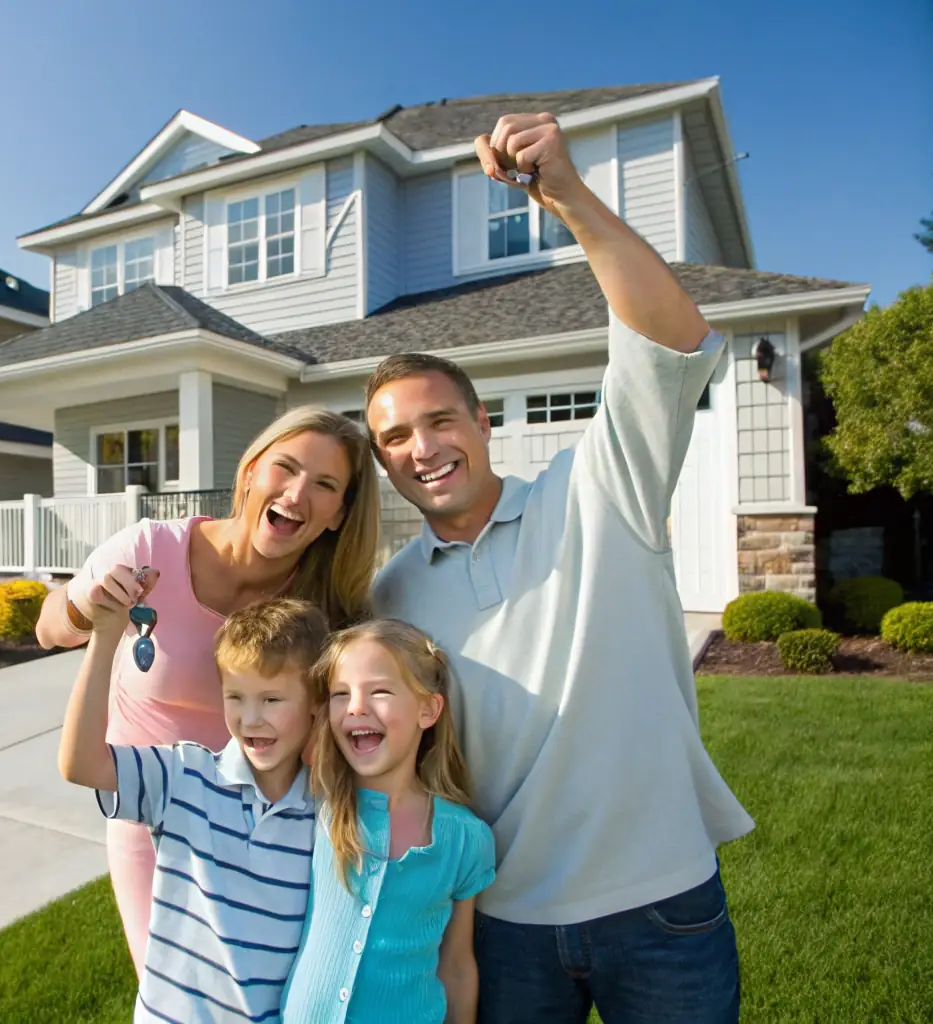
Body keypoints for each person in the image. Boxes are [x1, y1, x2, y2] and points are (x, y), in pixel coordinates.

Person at [366, 113, 755, 1022]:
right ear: (382, 464)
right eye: (393, 439)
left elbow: (667, 339)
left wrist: (566, 197)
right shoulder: (389, 597)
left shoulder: (598, 489)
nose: (421, 449)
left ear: (480, 421)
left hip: (662, 905)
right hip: (502, 922)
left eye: (438, 421)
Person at [37, 406, 381, 965]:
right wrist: (89, 606)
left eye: (324, 485)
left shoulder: (328, 606)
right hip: (150, 820)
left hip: (270, 836)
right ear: (249, 472)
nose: (296, 494)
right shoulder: (151, 551)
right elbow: (48, 627)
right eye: (285, 468)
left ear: (340, 514)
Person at [57, 597, 330, 1023]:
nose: (250, 719)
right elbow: (80, 763)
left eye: (272, 700)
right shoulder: (183, 775)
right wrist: (105, 639)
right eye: (235, 697)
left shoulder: (328, 818)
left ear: (316, 701)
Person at [282, 619, 495, 1023]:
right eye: (340, 694)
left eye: (378, 691)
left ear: (428, 709)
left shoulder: (465, 839)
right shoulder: (317, 808)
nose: (356, 707)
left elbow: (457, 967)